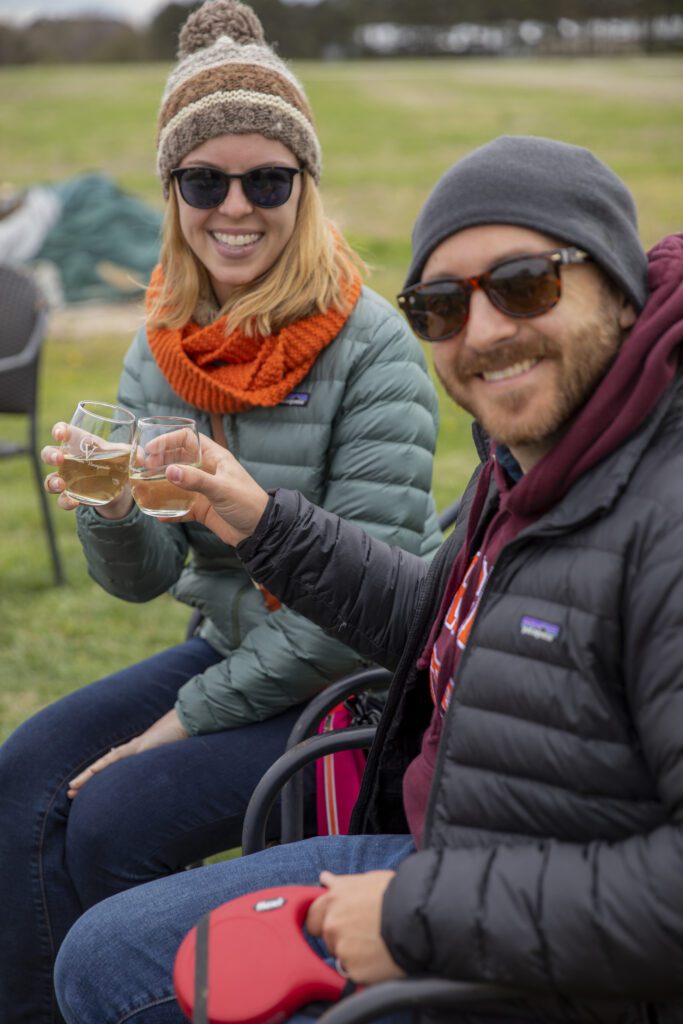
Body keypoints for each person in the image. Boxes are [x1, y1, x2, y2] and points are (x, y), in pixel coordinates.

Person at [54, 134, 683, 1024]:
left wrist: (415, 914)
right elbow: (437, 620)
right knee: (91, 914)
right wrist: (260, 518)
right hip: (443, 845)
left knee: (114, 968)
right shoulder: (528, 467)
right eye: (440, 307)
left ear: (617, 289)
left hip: (504, 924)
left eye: (523, 284)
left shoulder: (658, 513)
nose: (486, 332)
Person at [0, 3, 443, 1022]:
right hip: (232, 641)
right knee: (23, 780)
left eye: (267, 180)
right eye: (203, 179)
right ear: (172, 191)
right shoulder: (166, 333)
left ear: (304, 187)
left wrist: (177, 724)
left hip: (354, 676)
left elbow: (348, 617)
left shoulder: (370, 346)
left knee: (110, 818)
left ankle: (153, 988)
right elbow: (145, 578)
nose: (233, 206)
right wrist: (110, 506)